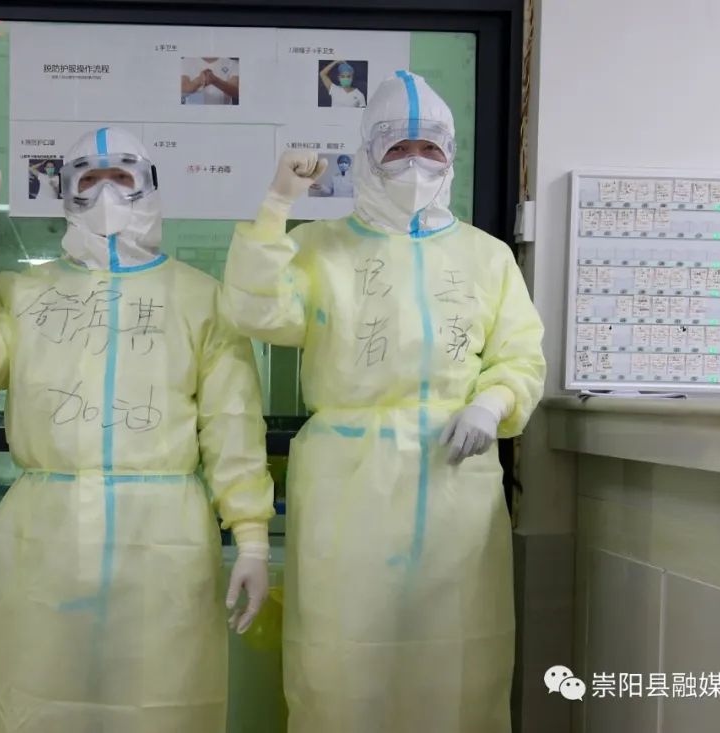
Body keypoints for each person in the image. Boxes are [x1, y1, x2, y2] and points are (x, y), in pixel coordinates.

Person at [0, 126, 274, 732]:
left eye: (122, 177)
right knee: (34, 692)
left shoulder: (201, 299)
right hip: (44, 531)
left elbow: (232, 426)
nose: (107, 193)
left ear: (151, 187)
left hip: (163, 535)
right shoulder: (25, 293)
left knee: (159, 698)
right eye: (89, 179)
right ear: (66, 193)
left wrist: (253, 539)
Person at [223, 71, 545, 732]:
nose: (415, 164)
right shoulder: (319, 247)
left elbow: (521, 354)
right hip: (349, 484)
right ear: (367, 155)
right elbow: (255, 312)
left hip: (455, 485)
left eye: (430, 149)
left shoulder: (487, 258)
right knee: (341, 657)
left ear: (450, 157)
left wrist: (492, 403)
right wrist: (276, 207)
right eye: (398, 148)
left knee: (457, 660)